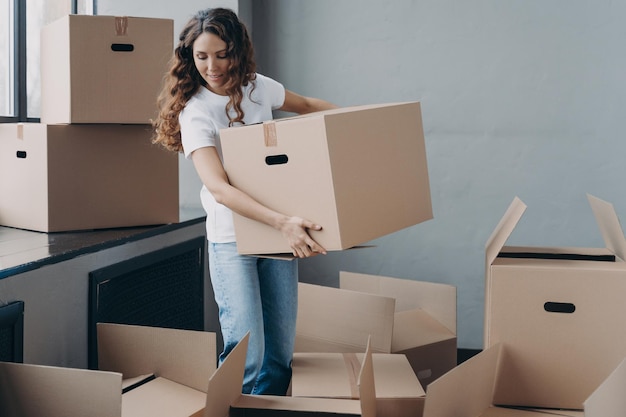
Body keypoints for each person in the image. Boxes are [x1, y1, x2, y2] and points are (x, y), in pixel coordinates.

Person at [152, 7, 337, 395]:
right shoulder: (196, 112)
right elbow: (218, 188)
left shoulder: (257, 88)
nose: (212, 66)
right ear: (189, 58)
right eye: (201, 56)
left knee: (279, 357)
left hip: (277, 237)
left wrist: (360, 121)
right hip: (233, 240)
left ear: (236, 51)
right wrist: (282, 222)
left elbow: (308, 106)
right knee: (247, 355)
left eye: (221, 54)